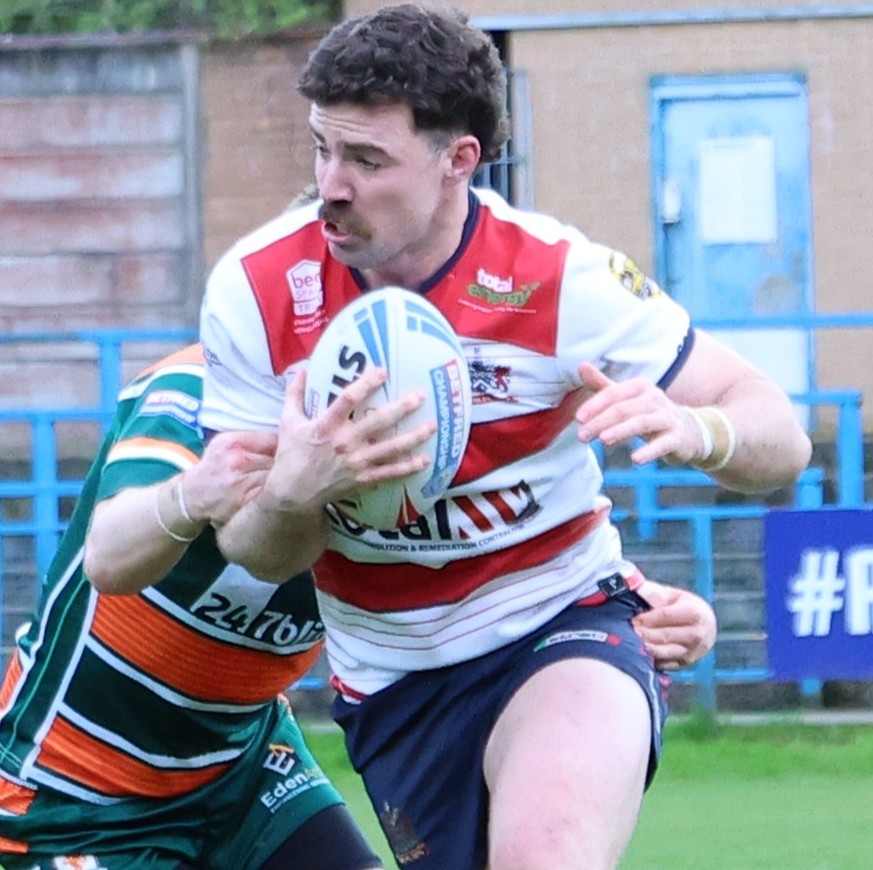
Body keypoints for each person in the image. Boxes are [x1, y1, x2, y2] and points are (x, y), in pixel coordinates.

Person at [197, 4, 812, 868]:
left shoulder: (558, 278)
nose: (331, 184)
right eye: (321, 148)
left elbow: (779, 435)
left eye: (367, 161)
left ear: (459, 160)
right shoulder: (256, 289)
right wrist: (292, 495)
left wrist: (697, 426)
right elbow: (255, 552)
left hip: (564, 619)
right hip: (395, 681)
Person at [0, 343, 411, 870]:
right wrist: (190, 497)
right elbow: (106, 554)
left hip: (242, 763)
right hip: (76, 793)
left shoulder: (422, 450)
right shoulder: (198, 393)